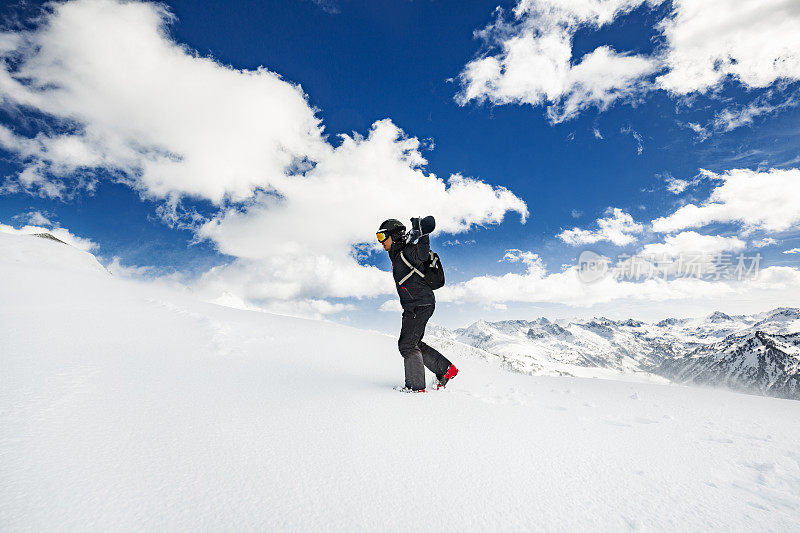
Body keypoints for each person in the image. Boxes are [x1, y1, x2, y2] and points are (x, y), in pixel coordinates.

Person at [377, 218, 459, 393]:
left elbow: (422, 253)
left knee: (407, 345)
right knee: (412, 342)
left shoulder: (407, 251)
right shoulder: (398, 252)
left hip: (419, 304)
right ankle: (445, 369)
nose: (381, 241)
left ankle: (416, 387)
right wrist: (413, 233)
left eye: (382, 235)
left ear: (393, 235)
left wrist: (424, 234)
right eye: (378, 236)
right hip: (415, 305)